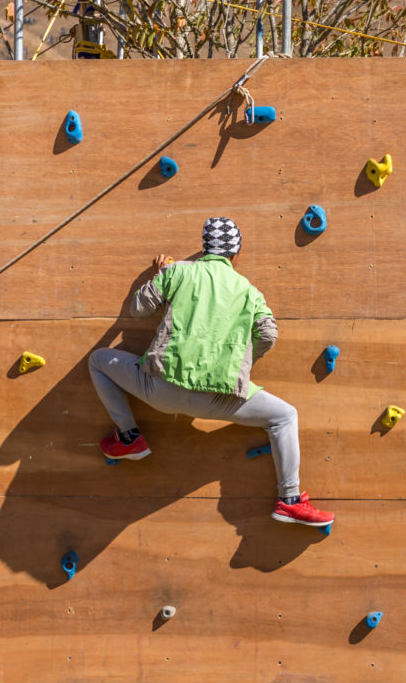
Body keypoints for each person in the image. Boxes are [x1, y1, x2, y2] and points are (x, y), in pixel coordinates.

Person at [88, 217, 334, 527]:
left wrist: (161, 274)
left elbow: (138, 309)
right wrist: (239, 365)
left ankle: (129, 436)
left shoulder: (178, 272)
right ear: (236, 255)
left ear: (205, 248)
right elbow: (269, 334)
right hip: (219, 399)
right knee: (284, 416)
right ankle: (289, 501)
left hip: (159, 390)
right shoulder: (249, 292)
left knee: (98, 361)